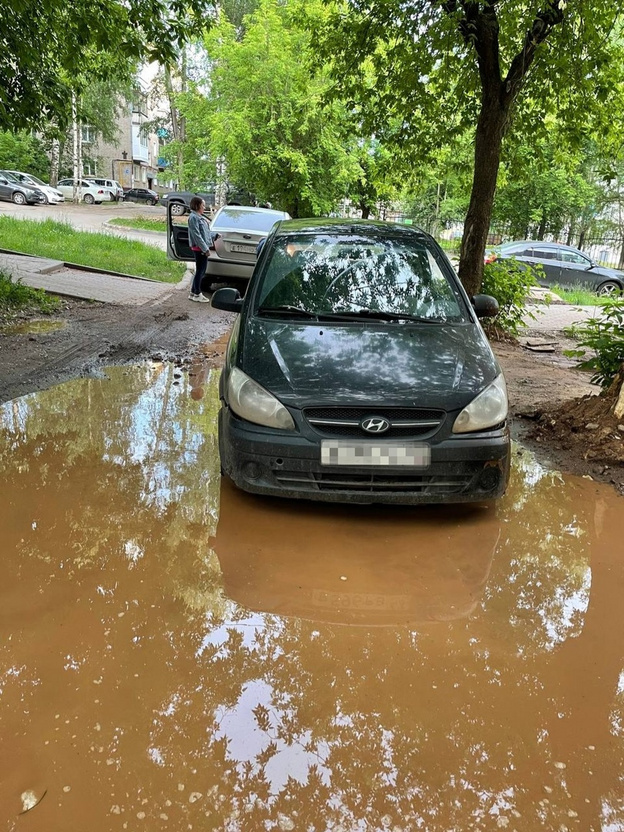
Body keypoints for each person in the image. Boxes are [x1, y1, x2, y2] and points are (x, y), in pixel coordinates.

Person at [187, 196, 213, 302]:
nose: (204, 207)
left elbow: (204, 233)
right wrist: (205, 249)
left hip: (200, 248)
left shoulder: (199, 217)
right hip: (199, 249)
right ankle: (197, 294)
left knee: (200, 271)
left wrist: (214, 236)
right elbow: (197, 235)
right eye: (203, 205)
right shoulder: (194, 218)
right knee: (200, 271)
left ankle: (193, 293)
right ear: (197, 205)